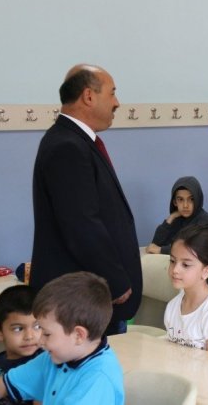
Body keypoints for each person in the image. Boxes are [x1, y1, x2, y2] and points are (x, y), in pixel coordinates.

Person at [30, 64, 142, 335]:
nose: (117, 103)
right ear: (89, 96)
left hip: (88, 299)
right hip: (83, 304)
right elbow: (81, 225)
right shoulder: (67, 147)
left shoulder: (74, 141)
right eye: (112, 93)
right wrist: (114, 281)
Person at [0, 272, 124, 404]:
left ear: (78, 335)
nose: (40, 341)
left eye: (47, 334)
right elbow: (4, 385)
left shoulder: (98, 380)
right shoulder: (56, 357)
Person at [164, 224, 208, 357]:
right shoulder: (173, 306)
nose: (175, 270)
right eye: (172, 261)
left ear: (207, 271)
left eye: (185, 265)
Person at [0, 286, 42, 405]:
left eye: (37, 326)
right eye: (18, 329)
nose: (29, 336)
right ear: (0, 333)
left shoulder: (44, 364)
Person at [146, 176, 208, 255]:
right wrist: (171, 218)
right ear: (174, 202)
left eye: (191, 199)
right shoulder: (177, 219)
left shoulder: (205, 221)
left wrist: (161, 250)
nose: (185, 205)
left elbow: (195, 250)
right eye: (180, 199)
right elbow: (155, 244)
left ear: (198, 199)